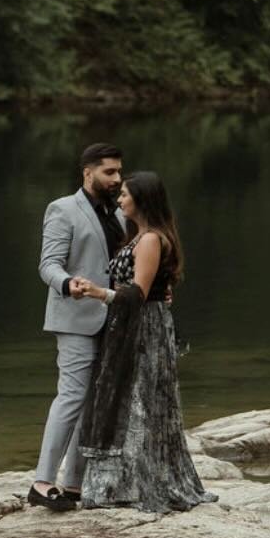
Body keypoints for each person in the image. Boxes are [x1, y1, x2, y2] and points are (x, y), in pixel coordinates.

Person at [70, 171, 215, 513]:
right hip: (132, 325)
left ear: (142, 199)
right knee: (130, 401)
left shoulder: (150, 239)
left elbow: (138, 294)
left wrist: (96, 292)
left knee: (139, 402)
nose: (119, 200)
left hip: (144, 329)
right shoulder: (139, 237)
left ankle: (139, 485)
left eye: (125, 195)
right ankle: (125, 483)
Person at [32, 142, 127, 511]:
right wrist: (67, 283)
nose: (117, 179)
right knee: (72, 396)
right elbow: (48, 264)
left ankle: (73, 483)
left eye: (119, 172)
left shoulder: (119, 213)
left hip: (114, 317)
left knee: (94, 401)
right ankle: (42, 483)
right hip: (74, 317)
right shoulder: (62, 209)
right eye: (109, 172)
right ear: (88, 173)